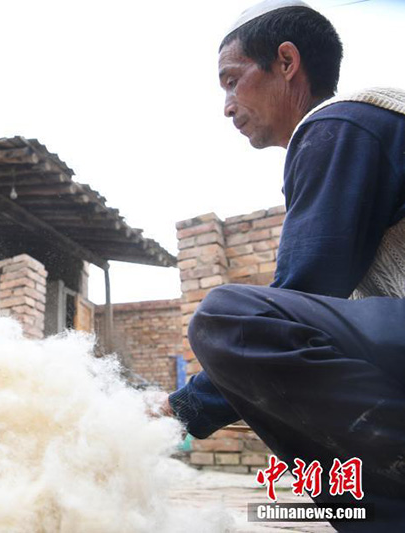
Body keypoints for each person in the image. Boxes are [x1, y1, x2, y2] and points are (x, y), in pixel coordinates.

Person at [164, 0, 405, 529]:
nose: (227, 105)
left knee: (231, 318)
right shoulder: (357, 128)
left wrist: (179, 410)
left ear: (287, 61)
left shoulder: (340, 124)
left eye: (232, 80)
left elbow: (303, 291)